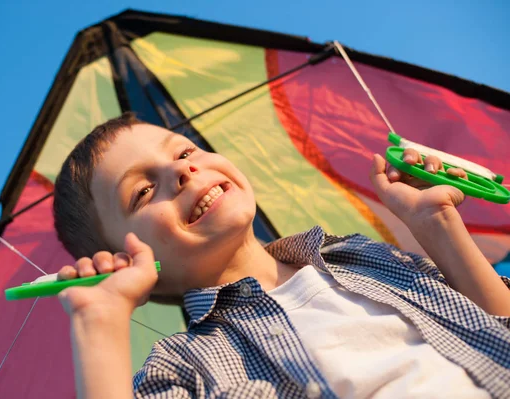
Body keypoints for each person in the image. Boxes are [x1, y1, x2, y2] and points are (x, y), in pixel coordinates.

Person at [52, 113, 510, 399]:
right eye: (143, 190)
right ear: (130, 263)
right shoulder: (186, 369)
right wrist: (101, 324)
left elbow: (499, 328)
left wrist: (439, 227)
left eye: (184, 150)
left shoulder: (359, 254)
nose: (181, 169)